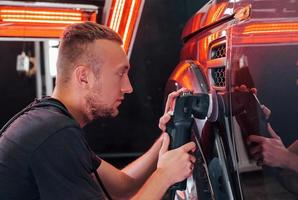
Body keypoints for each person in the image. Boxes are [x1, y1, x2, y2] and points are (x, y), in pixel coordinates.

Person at [0, 22, 196, 200]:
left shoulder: (48, 121)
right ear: (84, 77)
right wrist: (164, 176)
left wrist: (168, 133)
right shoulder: (54, 133)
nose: (128, 87)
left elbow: (123, 186)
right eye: (120, 73)